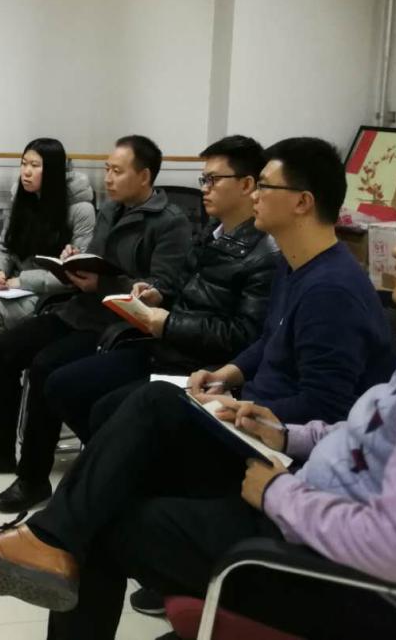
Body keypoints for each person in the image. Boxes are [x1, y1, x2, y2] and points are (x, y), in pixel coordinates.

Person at [0, 170, 396, 640]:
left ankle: (49, 537)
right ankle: (49, 537)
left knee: (107, 511)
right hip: (303, 504)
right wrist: (288, 435)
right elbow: (364, 434)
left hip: (331, 573)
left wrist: (279, 493)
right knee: (148, 419)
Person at [0, 135, 192, 513]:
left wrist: (103, 283)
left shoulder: (170, 223)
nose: (107, 178)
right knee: (2, 348)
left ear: (144, 176)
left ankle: (33, 478)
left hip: (119, 325)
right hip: (81, 309)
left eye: (117, 171)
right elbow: (95, 259)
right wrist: (74, 259)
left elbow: (162, 291)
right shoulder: (110, 209)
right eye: (107, 169)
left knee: (45, 366)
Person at [43, 135, 277, 444]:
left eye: (213, 179)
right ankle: (111, 457)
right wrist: (158, 294)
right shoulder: (212, 232)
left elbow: (242, 336)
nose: (204, 188)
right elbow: (180, 285)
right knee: (62, 385)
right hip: (164, 347)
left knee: (105, 409)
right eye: (203, 179)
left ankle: (115, 459)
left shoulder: (263, 255)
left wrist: (168, 323)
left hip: (199, 367)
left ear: (246, 185)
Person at [0, 138, 96, 415]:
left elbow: (75, 272)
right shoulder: (21, 198)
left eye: (35, 165)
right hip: (13, 285)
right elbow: (3, 246)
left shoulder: (80, 210)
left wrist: (21, 281)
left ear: (53, 171)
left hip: (51, 296)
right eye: (24, 164)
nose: (26, 172)